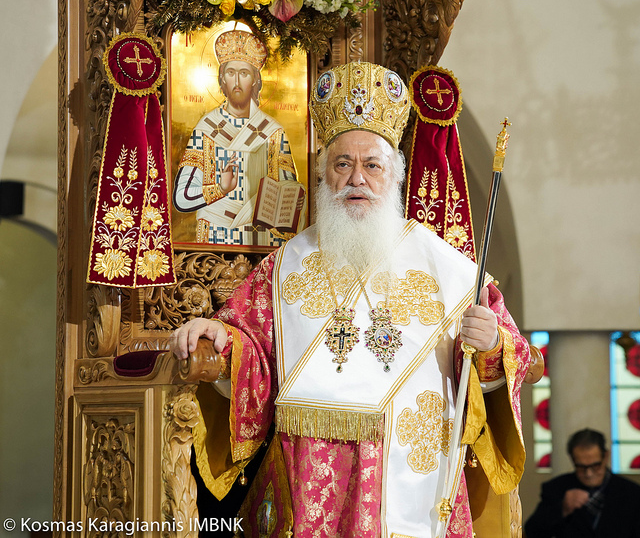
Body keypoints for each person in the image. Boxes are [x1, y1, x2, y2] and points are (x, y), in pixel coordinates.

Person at [170, 61, 531, 538]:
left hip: (413, 482)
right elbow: (250, 348)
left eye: (372, 165)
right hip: (308, 483)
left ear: (394, 176)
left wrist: (490, 348)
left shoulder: (449, 269)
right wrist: (220, 334)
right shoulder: (286, 265)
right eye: (343, 164)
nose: (356, 178)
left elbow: (515, 358)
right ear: (324, 174)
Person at [173, 29, 305, 246]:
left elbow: (288, 195)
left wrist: (294, 200)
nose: (236, 81)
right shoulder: (206, 129)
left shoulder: (273, 131)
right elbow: (182, 198)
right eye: (230, 72)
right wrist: (221, 189)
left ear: (255, 80)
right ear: (221, 80)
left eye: (244, 73)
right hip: (215, 236)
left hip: (264, 240)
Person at [525, 428, 640, 538]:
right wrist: (563, 509)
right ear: (573, 460)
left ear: (605, 457)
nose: (588, 473)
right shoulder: (556, 488)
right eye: (581, 467)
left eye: (595, 466)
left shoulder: (632, 493)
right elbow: (532, 532)